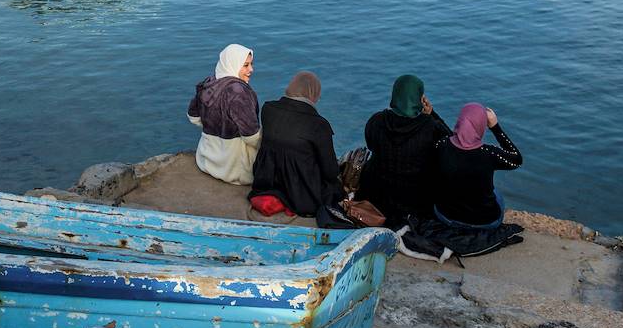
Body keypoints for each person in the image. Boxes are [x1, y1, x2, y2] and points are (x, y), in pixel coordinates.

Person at [357, 74, 452, 226]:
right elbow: (451, 144)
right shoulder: (430, 127)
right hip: (415, 201)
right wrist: (432, 115)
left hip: (378, 196)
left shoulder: (377, 120)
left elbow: (370, 144)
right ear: (419, 99)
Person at [250, 71, 343, 218]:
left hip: (265, 180)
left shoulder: (268, 109)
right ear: (314, 94)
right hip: (301, 193)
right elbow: (330, 172)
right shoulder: (319, 124)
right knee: (334, 188)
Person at [434, 103, 521, 229]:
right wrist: (496, 127)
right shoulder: (489, 154)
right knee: (497, 194)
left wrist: (432, 113)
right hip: (485, 223)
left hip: (446, 217)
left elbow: (450, 137)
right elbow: (516, 159)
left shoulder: (442, 145)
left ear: (460, 121)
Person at [187, 44, 261, 185]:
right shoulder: (239, 93)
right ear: (233, 64)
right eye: (245, 65)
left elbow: (193, 117)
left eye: (251, 64)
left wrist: (213, 123)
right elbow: (251, 136)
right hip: (233, 169)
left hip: (206, 161)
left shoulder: (208, 84)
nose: (251, 69)